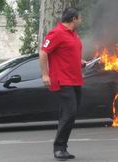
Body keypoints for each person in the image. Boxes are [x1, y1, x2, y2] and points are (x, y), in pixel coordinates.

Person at [39, 7, 86, 161]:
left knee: (69, 113)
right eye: (80, 17)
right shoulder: (57, 33)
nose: (81, 20)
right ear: (74, 19)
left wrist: (80, 62)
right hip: (62, 80)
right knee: (70, 112)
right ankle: (59, 148)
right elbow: (43, 52)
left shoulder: (73, 35)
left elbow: (68, 54)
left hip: (75, 80)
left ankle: (62, 148)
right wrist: (45, 74)